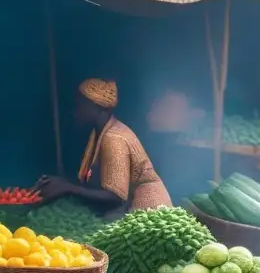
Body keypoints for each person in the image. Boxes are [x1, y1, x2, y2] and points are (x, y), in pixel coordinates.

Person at [36, 79, 173, 216]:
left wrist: (69, 188)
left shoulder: (114, 139)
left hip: (149, 210)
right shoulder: (99, 134)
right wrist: (62, 182)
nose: (74, 112)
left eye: (80, 106)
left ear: (98, 107)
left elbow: (115, 196)